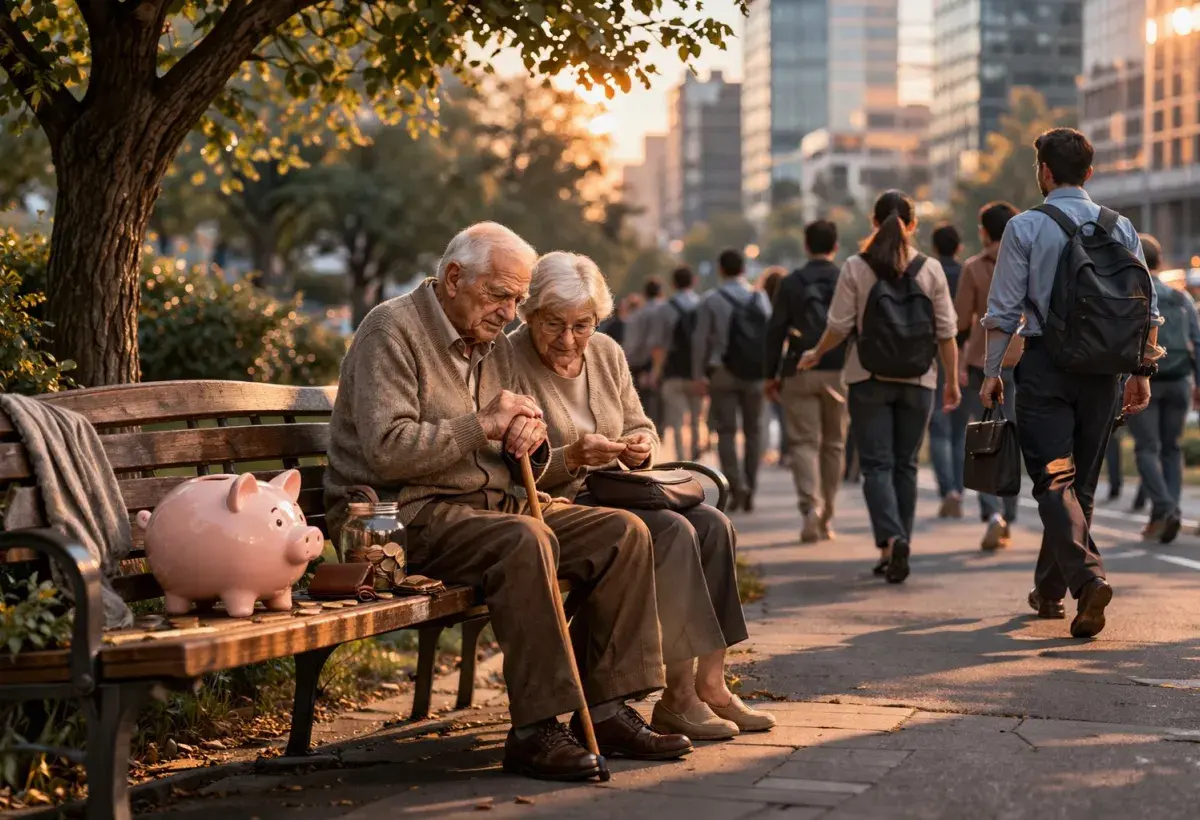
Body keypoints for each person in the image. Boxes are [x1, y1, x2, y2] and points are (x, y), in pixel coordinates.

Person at [324, 222, 691, 781]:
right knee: (527, 539)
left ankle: (610, 709)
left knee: (622, 534)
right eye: (501, 296)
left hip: (489, 507)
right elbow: (385, 451)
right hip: (402, 517)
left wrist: (529, 439)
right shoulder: (391, 331)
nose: (510, 313)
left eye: (518, 300)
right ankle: (535, 730)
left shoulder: (490, 343)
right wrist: (483, 424)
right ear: (453, 278)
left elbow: (516, 448)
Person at [511, 251, 775, 741]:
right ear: (529, 314)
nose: (569, 340)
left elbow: (641, 425)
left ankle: (710, 685)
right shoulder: (509, 360)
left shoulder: (607, 353)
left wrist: (641, 448)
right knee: (673, 531)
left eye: (582, 325)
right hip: (561, 505)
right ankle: (677, 698)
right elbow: (504, 465)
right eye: (554, 324)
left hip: (619, 490)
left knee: (713, 524)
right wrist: (571, 457)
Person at [980, 128, 1161, 639]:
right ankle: (1050, 593)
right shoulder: (1120, 226)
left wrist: (992, 373)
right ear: (1089, 172)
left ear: (1044, 171)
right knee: (1078, 486)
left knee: (1054, 481)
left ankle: (1086, 580)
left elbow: (1003, 311)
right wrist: (1142, 373)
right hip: (1104, 373)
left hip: (1046, 369)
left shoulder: (1025, 227)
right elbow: (1148, 308)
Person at [797, 191, 960, 584]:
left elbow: (838, 326)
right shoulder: (930, 268)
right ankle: (899, 541)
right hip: (920, 381)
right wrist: (951, 381)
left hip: (868, 378)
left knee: (876, 466)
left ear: (874, 222)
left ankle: (891, 540)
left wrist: (815, 354)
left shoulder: (856, 266)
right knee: (905, 464)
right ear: (913, 224)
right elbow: (946, 333)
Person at [765, 220, 848, 543]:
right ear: (835, 247)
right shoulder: (846, 278)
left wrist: (770, 374)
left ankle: (809, 509)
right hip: (839, 370)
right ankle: (827, 513)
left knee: (803, 443)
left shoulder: (791, 283)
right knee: (834, 444)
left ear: (806, 246)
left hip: (799, 370)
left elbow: (775, 331)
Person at [955, 201, 1023, 550]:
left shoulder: (973, 267)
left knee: (982, 437)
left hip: (982, 363)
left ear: (984, 231)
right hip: (1023, 361)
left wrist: (955, 366)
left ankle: (992, 513)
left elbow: (961, 322)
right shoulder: (1029, 260)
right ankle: (1009, 514)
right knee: (1013, 439)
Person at [1127, 234, 1200, 543]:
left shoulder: (1131, 294)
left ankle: (1166, 508)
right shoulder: (1181, 297)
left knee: (1146, 449)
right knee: (1171, 448)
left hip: (1145, 380)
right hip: (1180, 380)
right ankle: (1167, 513)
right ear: (1159, 261)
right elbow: (1197, 341)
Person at [693, 249, 772, 511]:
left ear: (721, 269)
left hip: (722, 372)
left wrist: (699, 375)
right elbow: (770, 335)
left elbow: (700, 340)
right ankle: (751, 485)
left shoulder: (711, 300)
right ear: (743, 270)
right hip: (755, 373)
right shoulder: (759, 298)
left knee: (725, 431)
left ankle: (737, 485)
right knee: (754, 431)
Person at [927, 222, 969, 518]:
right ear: (959, 247)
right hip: (964, 357)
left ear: (934, 247)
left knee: (938, 428)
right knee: (959, 431)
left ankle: (948, 491)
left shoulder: (927, 272)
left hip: (933, 356)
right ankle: (960, 489)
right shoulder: (967, 272)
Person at [651, 266, 707, 461]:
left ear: (673, 284)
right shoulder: (702, 305)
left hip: (672, 372)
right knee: (695, 417)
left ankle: (682, 458)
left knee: (675, 419)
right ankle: (695, 451)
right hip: (695, 372)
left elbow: (660, 344)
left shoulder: (665, 308)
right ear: (693, 281)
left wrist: (657, 372)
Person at [623, 278, 668, 426]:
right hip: (666, 362)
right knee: (662, 398)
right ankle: (661, 426)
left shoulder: (638, 314)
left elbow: (633, 342)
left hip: (642, 362)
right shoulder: (667, 309)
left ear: (645, 293)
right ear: (661, 292)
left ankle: (647, 427)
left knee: (645, 400)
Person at [759, 266, 791, 466]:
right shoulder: (789, 306)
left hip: (762, 364)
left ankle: (764, 451)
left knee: (764, 413)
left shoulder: (760, 306)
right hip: (786, 363)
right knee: (785, 413)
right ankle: (785, 451)